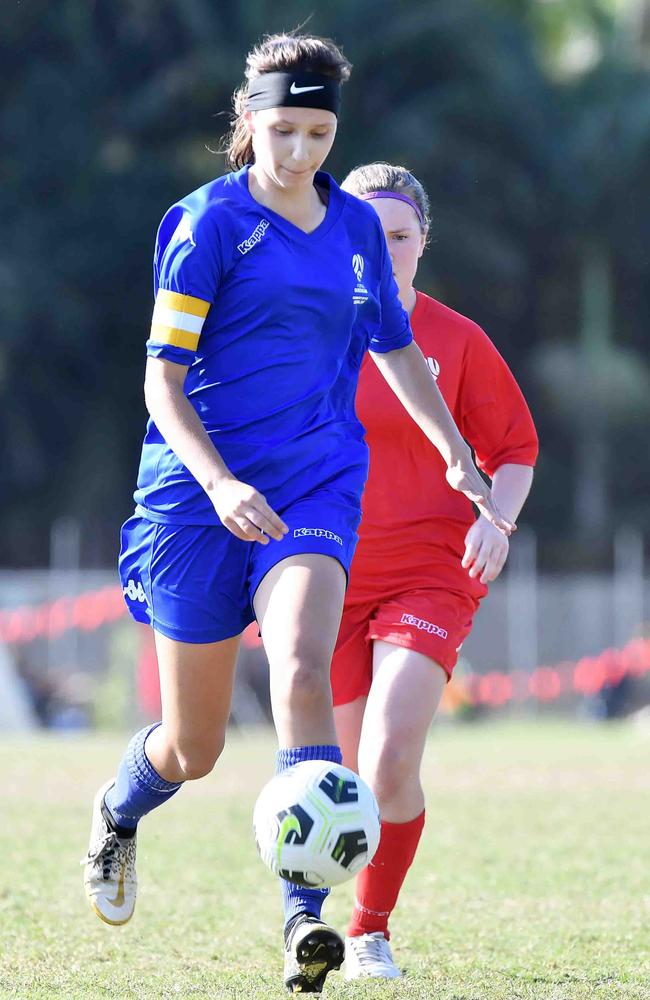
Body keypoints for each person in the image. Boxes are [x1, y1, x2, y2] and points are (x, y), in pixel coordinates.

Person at [81, 36, 511, 995]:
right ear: (249, 119)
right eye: (284, 130)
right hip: (197, 499)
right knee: (193, 748)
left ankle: (301, 921)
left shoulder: (356, 226)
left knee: (303, 665)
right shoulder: (205, 226)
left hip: (314, 485)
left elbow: (395, 348)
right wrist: (223, 484)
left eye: (320, 132)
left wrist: (452, 449)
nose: (302, 152)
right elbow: (160, 383)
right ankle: (117, 810)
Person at [331, 162, 539, 980]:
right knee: (347, 785)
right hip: (327, 575)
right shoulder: (311, 331)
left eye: (401, 237)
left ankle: (368, 932)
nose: (384, 252)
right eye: (367, 237)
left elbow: (515, 450)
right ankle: (312, 916)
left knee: (389, 762)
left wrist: (498, 518)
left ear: (423, 242)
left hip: (432, 573)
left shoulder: (455, 340)